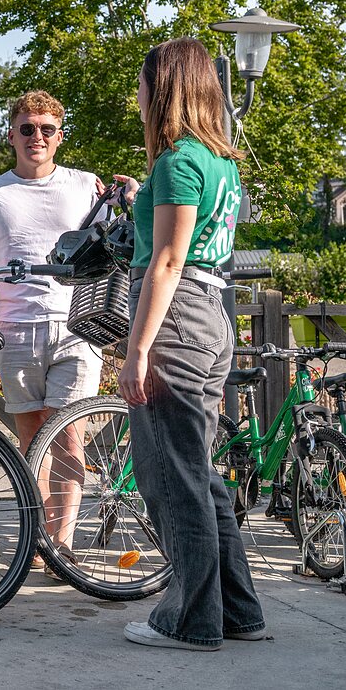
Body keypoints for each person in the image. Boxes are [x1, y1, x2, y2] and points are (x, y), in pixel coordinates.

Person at [114, 37, 265, 651]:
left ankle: (191, 620)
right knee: (199, 472)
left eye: (143, 82)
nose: (138, 94)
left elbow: (169, 261)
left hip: (176, 320)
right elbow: (193, 239)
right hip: (211, 316)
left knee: (170, 477)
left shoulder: (177, 160)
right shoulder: (219, 161)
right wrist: (141, 199)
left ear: (164, 87)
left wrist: (136, 351)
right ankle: (239, 612)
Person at [0, 90, 105, 565]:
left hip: (76, 324)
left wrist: (130, 195)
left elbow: (112, 246)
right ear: (11, 135)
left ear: (59, 136)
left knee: (70, 437)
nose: (36, 136)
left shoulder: (85, 186)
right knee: (32, 441)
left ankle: (63, 545)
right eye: (27, 128)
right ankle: (38, 541)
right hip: (15, 329)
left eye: (46, 129)